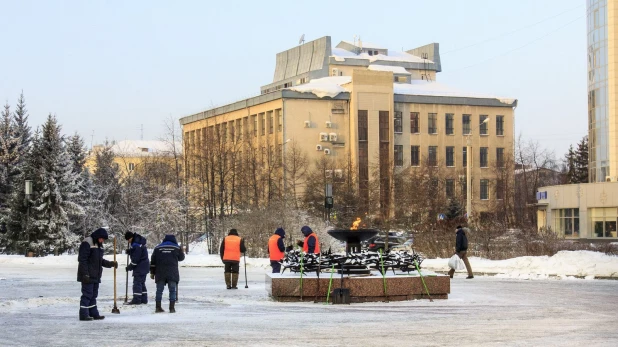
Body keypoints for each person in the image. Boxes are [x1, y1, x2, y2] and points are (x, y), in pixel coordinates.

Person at [77, 227, 118, 321]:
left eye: (103, 239)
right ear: (98, 236)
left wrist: (111, 264)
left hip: (96, 274)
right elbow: (82, 260)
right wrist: (85, 274)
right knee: (87, 295)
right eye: (102, 238)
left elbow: (100, 261)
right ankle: (83, 314)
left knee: (93, 295)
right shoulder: (87, 242)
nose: (102, 241)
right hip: (87, 275)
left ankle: (93, 313)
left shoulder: (99, 245)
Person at [150, 234, 185, 313]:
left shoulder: (158, 248)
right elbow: (181, 258)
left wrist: (152, 272)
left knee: (159, 290)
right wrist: (181, 250)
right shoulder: (176, 247)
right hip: (172, 272)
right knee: (172, 290)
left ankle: (158, 307)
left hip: (160, 272)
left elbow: (153, 261)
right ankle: (171, 308)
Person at [124, 231, 150, 305]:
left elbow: (136, 259)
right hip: (144, 265)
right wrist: (131, 251)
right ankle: (144, 299)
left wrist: (129, 267)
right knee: (142, 283)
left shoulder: (136, 244)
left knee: (137, 283)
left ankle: (137, 299)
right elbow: (138, 253)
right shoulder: (138, 242)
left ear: (130, 238)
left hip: (140, 266)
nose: (128, 242)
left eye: (128, 240)